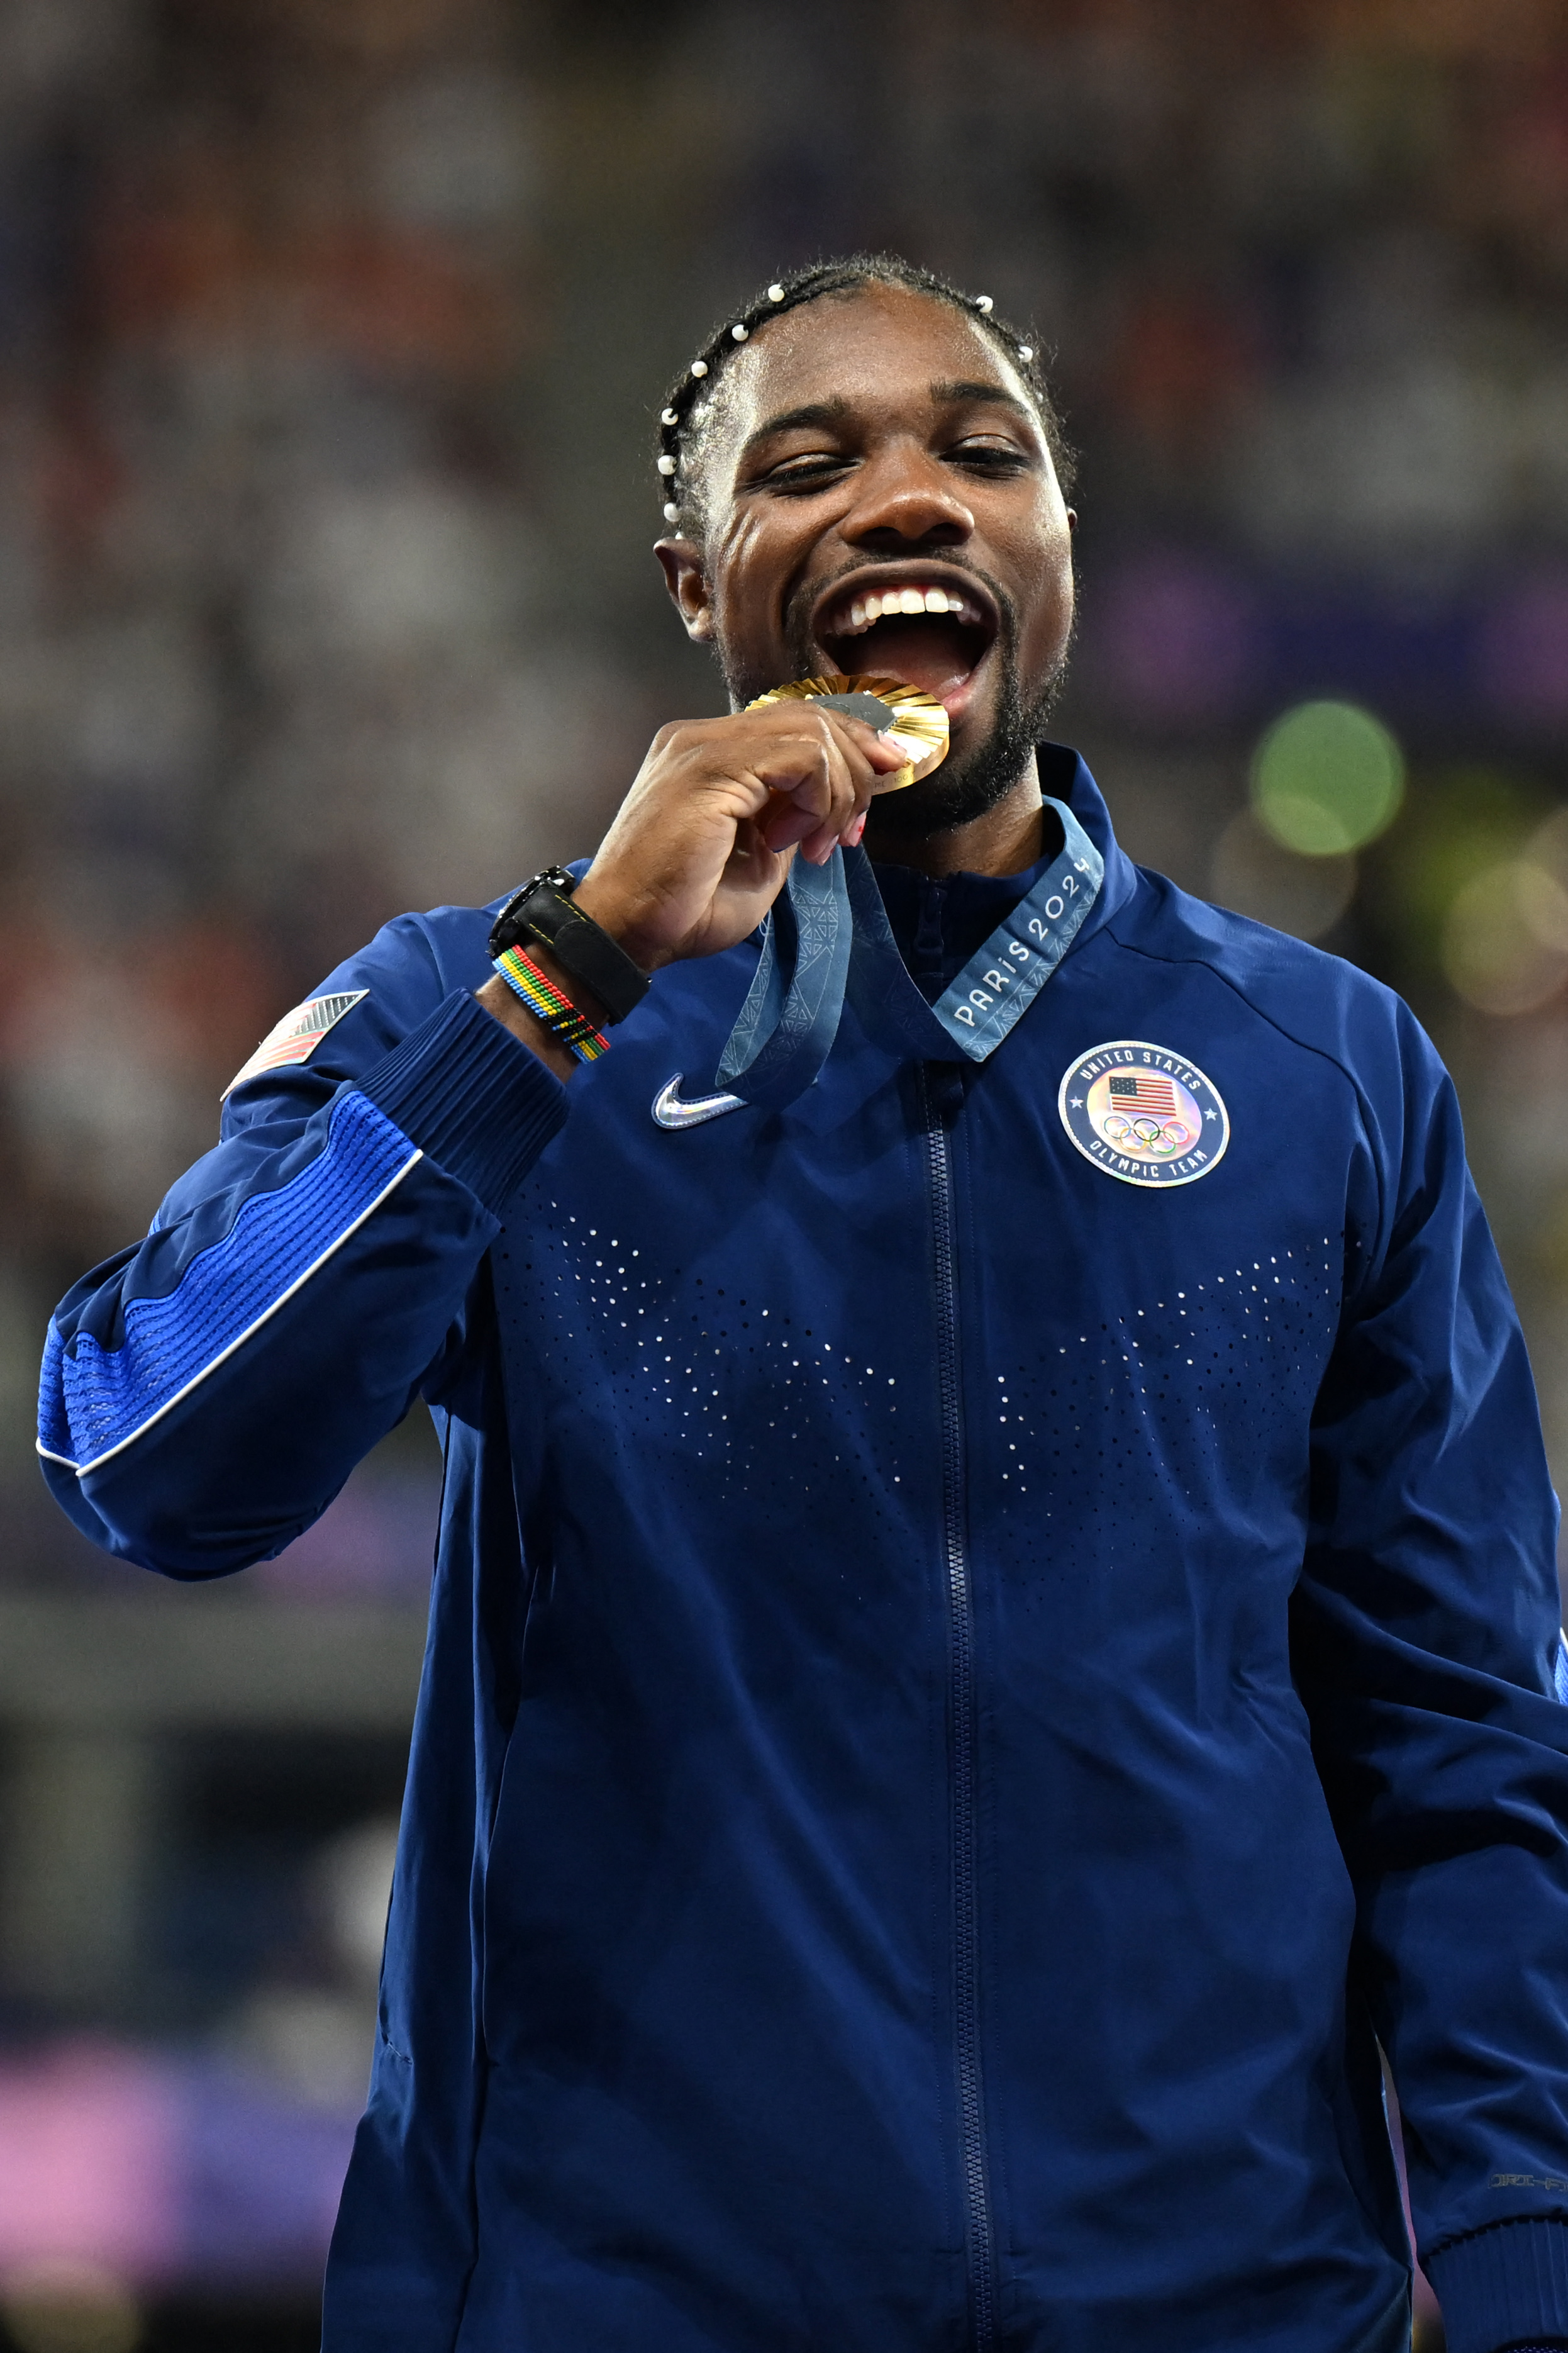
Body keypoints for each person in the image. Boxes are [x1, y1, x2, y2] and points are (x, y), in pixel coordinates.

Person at [35, 254, 1568, 2353]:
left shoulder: (1327, 1068)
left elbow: (1470, 1735)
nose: (912, 497)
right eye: (811, 461)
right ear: (699, 582)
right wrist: (565, 981)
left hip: (1226, 2308)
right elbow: (143, 1449)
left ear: (1061, 551)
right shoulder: (478, 1011)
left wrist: (1525, 2262)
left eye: (983, 449)